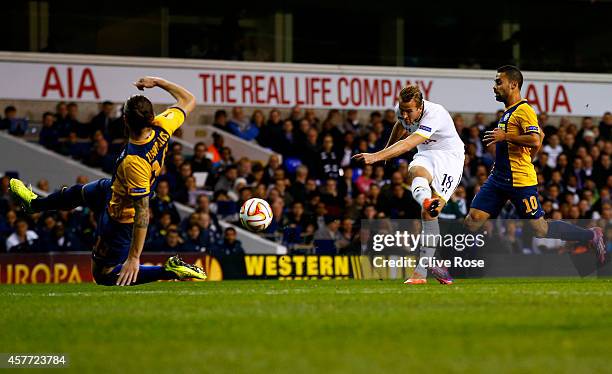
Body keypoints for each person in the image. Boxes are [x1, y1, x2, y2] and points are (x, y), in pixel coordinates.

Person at [9, 76, 207, 286]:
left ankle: (168, 270)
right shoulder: (163, 125)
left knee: (104, 275)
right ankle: (34, 204)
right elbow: (188, 99)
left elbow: (142, 211)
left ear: (125, 121)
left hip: (121, 214)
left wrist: (134, 258)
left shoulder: (135, 161)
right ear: (152, 117)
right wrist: (158, 82)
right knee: (78, 193)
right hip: (112, 188)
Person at [465, 65, 606, 263]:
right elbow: (538, 136)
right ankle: (456, 268)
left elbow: (534, 139)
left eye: (498, 82)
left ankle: (591, 235)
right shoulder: (509, 111)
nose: (494, 86)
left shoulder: (524, 110)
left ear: (513, 84)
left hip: (519, 180)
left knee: (540, 229)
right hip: (498, 178)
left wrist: (506, 136)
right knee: (472, 221)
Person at [353, 85, 465, 285]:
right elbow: (400, 126)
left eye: (409, 111)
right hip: (426, 154)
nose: (404, 115)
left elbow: (407, 144)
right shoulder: (403, 111)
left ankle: (431, 261)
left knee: (431, 213)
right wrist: (388, 149)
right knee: (415, 172)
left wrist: (376, 156)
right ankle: (419, 275)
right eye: (401, 110)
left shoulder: (435, 114)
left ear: (420, 108)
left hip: (450, 159)